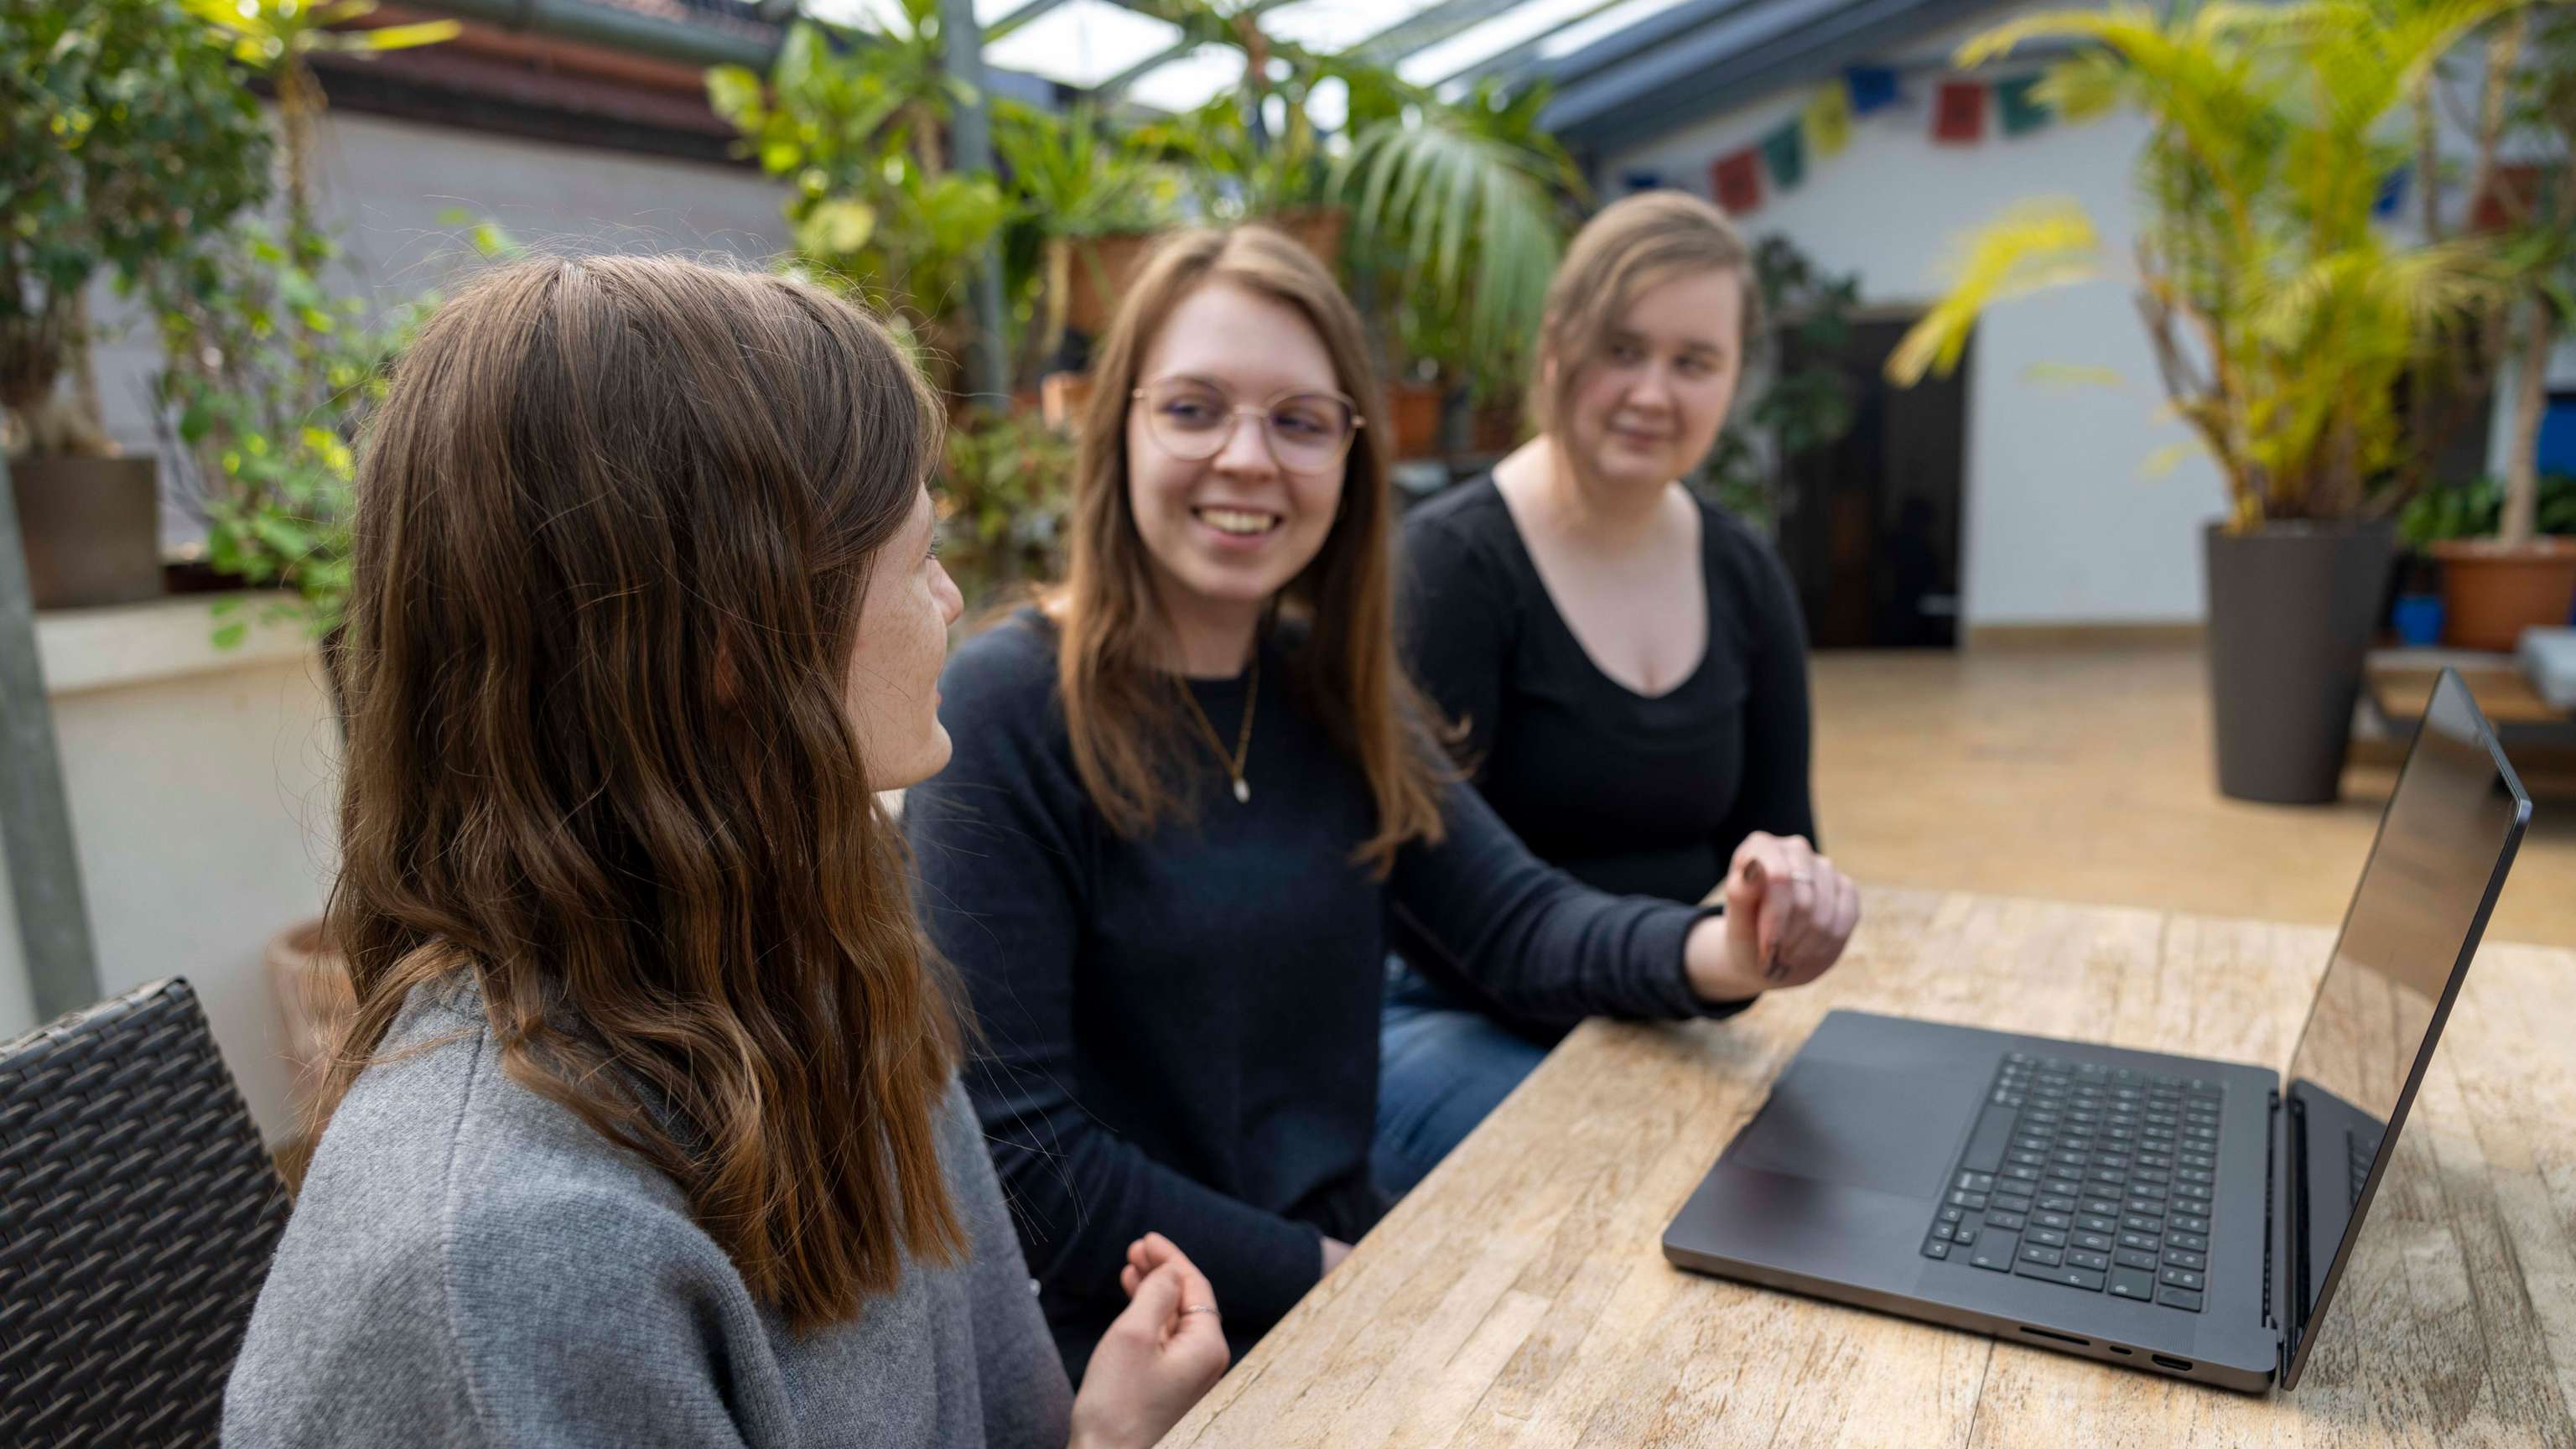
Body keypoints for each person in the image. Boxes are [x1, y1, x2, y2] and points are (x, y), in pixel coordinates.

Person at [222, 256, 1227, 1449]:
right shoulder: (519, 1268)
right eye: (918, 556)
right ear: (734, 639)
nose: (954, 598)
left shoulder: (822, 966)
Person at [901, 226, 1855, 1380]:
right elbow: (1023, 1156)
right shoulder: (1009, 709)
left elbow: (1518, 922)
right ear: (1120, 428)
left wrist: (1726, 944)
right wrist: (1340, 1278)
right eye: (1195, 409)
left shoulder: (1327, 691)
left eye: (1300, 421)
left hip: (1343, 1287)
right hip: (1134, 1356)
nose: (1249, 459)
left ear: (1352, 457)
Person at [1380, 190, 1859, 1195]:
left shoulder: (1743, 572)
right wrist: (1691, 979)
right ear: (1556, 348)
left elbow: (1777, 834)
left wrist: (1786, 905)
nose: (1653, 391)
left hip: (1679, 1000)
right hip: (1462, 1014)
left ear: (1733, 380)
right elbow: (1442, 911)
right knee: (1665, 1180)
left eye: (1694, 362)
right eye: (1622, 349)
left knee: (1828, 1179)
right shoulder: (1452, 567)